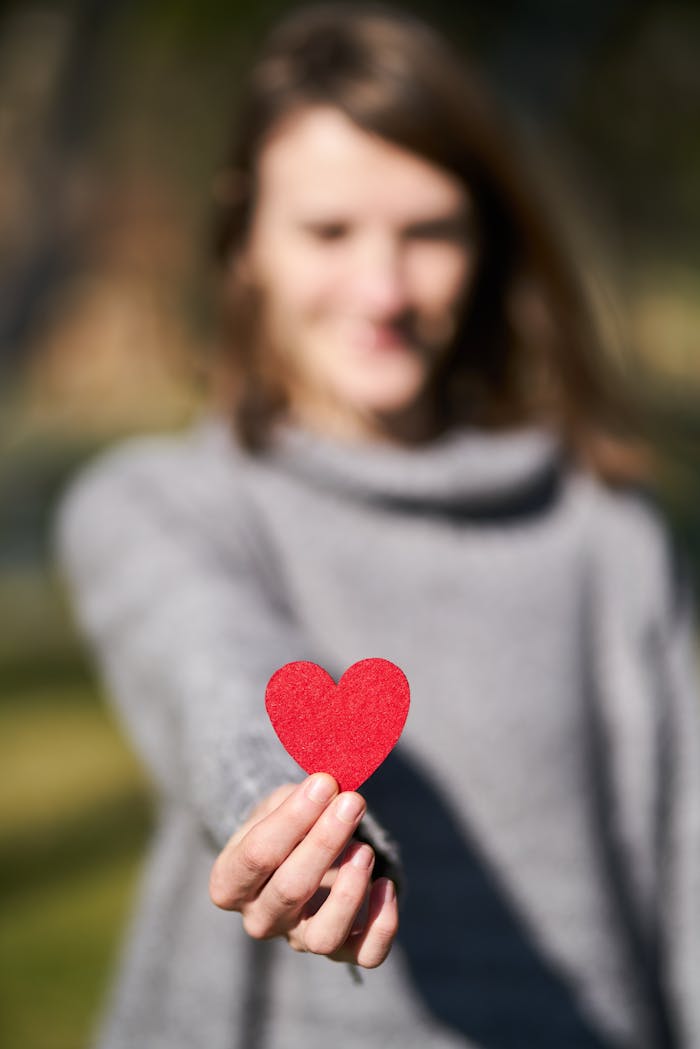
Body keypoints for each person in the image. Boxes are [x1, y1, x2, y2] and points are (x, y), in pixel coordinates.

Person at [54, 4, 700, 1048]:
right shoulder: (156, 505)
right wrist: (281, 815)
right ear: (246, 236)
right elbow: (207, 660)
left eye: (428, 230)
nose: (383, 287)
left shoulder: (608, 537)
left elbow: (684, 865)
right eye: (327, 230)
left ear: (485, 240)